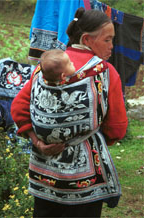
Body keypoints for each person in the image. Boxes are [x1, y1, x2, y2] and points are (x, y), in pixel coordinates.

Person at [11, 7, 128, 218]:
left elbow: (18, 108)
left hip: (43, 171)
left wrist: (38, 141)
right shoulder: (105, 72)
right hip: (85, 178)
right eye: (107, 40)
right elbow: (117, 127)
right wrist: (98, 139)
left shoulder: (47, 65)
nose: (112, 47)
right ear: (87, 39)